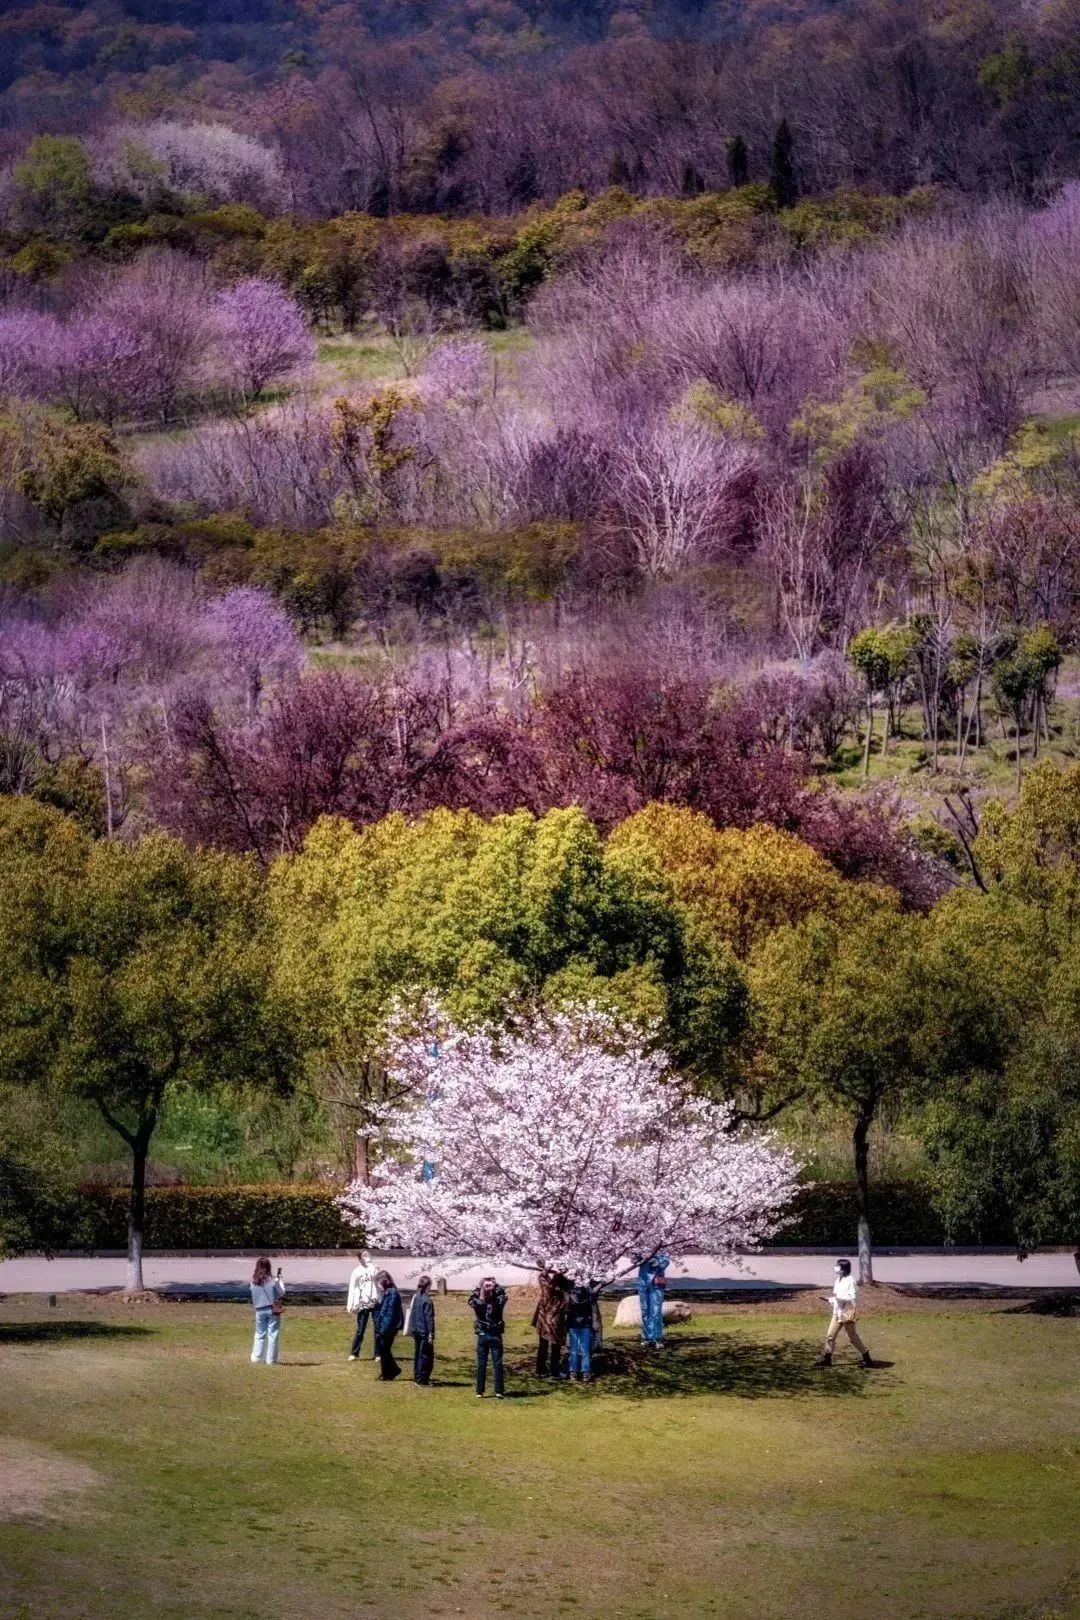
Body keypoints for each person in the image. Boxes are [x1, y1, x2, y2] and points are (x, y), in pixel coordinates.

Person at [818, 1259, 873, 1368]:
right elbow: (837, 1297)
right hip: (837, 1313)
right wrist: (829, 1299)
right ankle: (827, 1359)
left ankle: (867, 1359)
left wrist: (838, 1298)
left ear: (843, 1269)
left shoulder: (850, 1281)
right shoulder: (838, 1280)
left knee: (852, 1337)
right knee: (830, 1335)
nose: (835, 1268)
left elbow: (852, 1297)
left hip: (847, 1313)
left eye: (837, 1266)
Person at [469, 1276, 507, 1398]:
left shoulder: (478, 1303)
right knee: (497, 1363)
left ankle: (479, 1391)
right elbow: (504, 1294)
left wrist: (480, 1286)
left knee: (481, 1363)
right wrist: (495, 1284)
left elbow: (471, 1298)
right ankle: (499, 1390)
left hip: (482, 1335)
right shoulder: (498, 1302)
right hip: (495, 1335)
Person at [532, 1269, 569, 1380]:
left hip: (543, 1323)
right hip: (556, 1324)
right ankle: (554, 1372)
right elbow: (568, 1309)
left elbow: (542, 1277)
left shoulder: (546, 1290)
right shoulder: (564, 1296)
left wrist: (547, 1270)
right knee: (555, 1348)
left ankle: (540, 1370)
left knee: (543, 1347)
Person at [346, 1249, 381, 1362]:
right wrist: (350, 1304)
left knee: (377, 1329)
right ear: (360, 1258)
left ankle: (378, 1353)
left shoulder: (375, 1268)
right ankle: (354, 1353)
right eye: (364, 1255)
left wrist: (375, 1269)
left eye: (368, 1254)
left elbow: (380, 1283)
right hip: (363, 1303)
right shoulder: (356, 1271)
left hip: (375, 1302)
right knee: (360, 1329)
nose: (367, 1257)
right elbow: (352, 1287)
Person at [250, 1257, 285, 1365]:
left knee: (259, 1334)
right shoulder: (273, 1280)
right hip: (272, 1310)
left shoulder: (253, 1282)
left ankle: (256, 1357)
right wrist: (280, 1280)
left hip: (259, 1310)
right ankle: (270, 1360)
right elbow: (282, 1292)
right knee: (273, 1335)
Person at [373, 1269, 405, 1380]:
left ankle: (390, 1371)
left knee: (384, 1349)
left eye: (378, 1283)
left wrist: (383, 1329)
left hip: (390, 1327)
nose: (378, 1286)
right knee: (383, 1349)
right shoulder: (388, 1293)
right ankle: (389, 1371)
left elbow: (389, 1314)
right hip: (386, 1326)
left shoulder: (392, 1293)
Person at [405, 1274, 435, 1386]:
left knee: (418, 1354)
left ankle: (417, 1376)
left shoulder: (416, 1297)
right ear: (428, 1286)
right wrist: (431, 1334)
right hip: (424, 1331)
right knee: (425, 1355)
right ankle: (423, 1379)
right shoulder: (427, 1301)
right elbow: (429, 1319)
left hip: (416, 1330)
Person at [637, 1250, 670, 1348]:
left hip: (656, 1284)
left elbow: (666, 1261)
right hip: (643, 1282)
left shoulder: (662, 1246)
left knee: (656, 1311)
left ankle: (657, 1338)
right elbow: (635, 1260)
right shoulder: (640, 1247)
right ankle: (646, 1337)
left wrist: (657, 1262)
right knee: (645, 1310)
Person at [566, 1277, 595, 1382]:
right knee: (584, 1350)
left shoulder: (572, 1294)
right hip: (582, 1325)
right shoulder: (588, 1293)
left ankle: (575, 1371)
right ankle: (584, 1372)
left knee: (575, 1350)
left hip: (576, 1325)